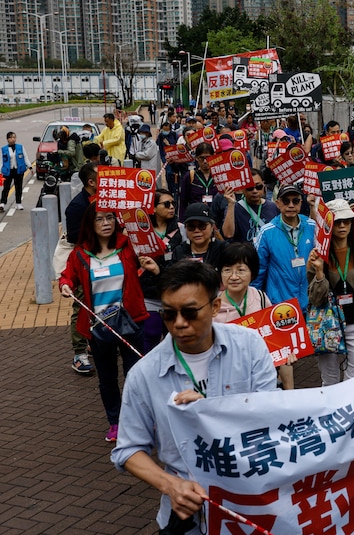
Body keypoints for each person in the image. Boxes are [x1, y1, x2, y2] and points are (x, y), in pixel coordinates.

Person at [110, 260, 278, 533]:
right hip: (187, 517)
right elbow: (128, 449)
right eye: (168, 314)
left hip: (250, 505)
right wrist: (171, 486)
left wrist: (212, 412)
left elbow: (270, 418)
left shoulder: (249, 345)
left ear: (214, 307)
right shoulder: (144, 374)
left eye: (190, 312)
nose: (179, 324)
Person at [58, 203, 151, 442]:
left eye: (109, 218)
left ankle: (138, 421)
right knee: (107, 378)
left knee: (135, 376)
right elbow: (68, 275)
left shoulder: (128, 246)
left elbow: (154, 249)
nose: (106, 223)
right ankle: (116, 422)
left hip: (132, 322)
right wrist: (65, 285)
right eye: (99, 219)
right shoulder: (79, 254)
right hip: (100, 326)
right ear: (91, 224)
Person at [307, 199, 354, 385]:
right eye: (337, 221)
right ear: (328, 224)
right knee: (329, 380)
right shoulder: (318, 255)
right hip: (326, 325)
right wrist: (318, 272)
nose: (342, 226)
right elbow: (315, 299)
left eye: (346, 221)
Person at [215, 242, 298, 389]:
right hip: (229, 381)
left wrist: (290, 393)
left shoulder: (260, 297)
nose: (234, 276)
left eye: (241, 270)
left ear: (252, 273)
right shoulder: (213, 308)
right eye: (227, 270)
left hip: (262, 378)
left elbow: (277, 342)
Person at [252, 184, 316, 310]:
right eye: (286, 201)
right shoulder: (266, 232)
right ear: (277, 203)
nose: (291, 205)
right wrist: (254, 304)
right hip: (281, 307)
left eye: (295, 201)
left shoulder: (312, 226)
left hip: (311, 304)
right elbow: (258, 271)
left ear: (301, 203)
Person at [136, 189, 186, 353]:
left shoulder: (181, 229)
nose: (172, 207)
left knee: (174, 337)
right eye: (166, 204)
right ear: (153, 208)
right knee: (151, 334)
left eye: (173, 203)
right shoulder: (140, 231)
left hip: (174, 293)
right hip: (148, 293)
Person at [64, 162, 98, 374]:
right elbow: (73, 236)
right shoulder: (77, 206)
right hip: (85, 263)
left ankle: (98, 340)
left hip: (106, 260)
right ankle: (79, 353)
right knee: (81, 304)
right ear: (91, 182)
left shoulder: (107, 200)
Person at [222, 169, 279, 243]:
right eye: (250, 188)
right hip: (245, 253)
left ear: (264, 185)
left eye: (259, 187)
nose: (255, 191)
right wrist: (230, 204)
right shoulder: (234, 208)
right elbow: (228, 234)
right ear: (242, 188)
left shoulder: (273, 207)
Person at [172, 203, 227, 267]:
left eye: (202, 226)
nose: (197, 230)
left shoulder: (223, 249)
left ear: (212, 227)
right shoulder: (179, 251)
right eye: (191, 227)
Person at [177, 142, 219, 222]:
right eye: (202, 158)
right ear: (196, 158)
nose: (205, 161)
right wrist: (182, 223)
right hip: (195, 219)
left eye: (208, 157)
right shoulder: (190, 176)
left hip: (215, 219)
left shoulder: (219, 175)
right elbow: (183, 202)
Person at [1, 131, 32, 212]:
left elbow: (25, 157)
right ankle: (2, 203)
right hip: (8, 171)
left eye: (14, 137)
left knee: (18, 187)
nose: (13, 139)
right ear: (8, 139)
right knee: (6, 187)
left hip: (18, 170)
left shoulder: (20, 147)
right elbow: (2, 161)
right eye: (11, 137)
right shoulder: (4, 149)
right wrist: (1, 171)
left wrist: (30, 167)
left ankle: (18, 203)